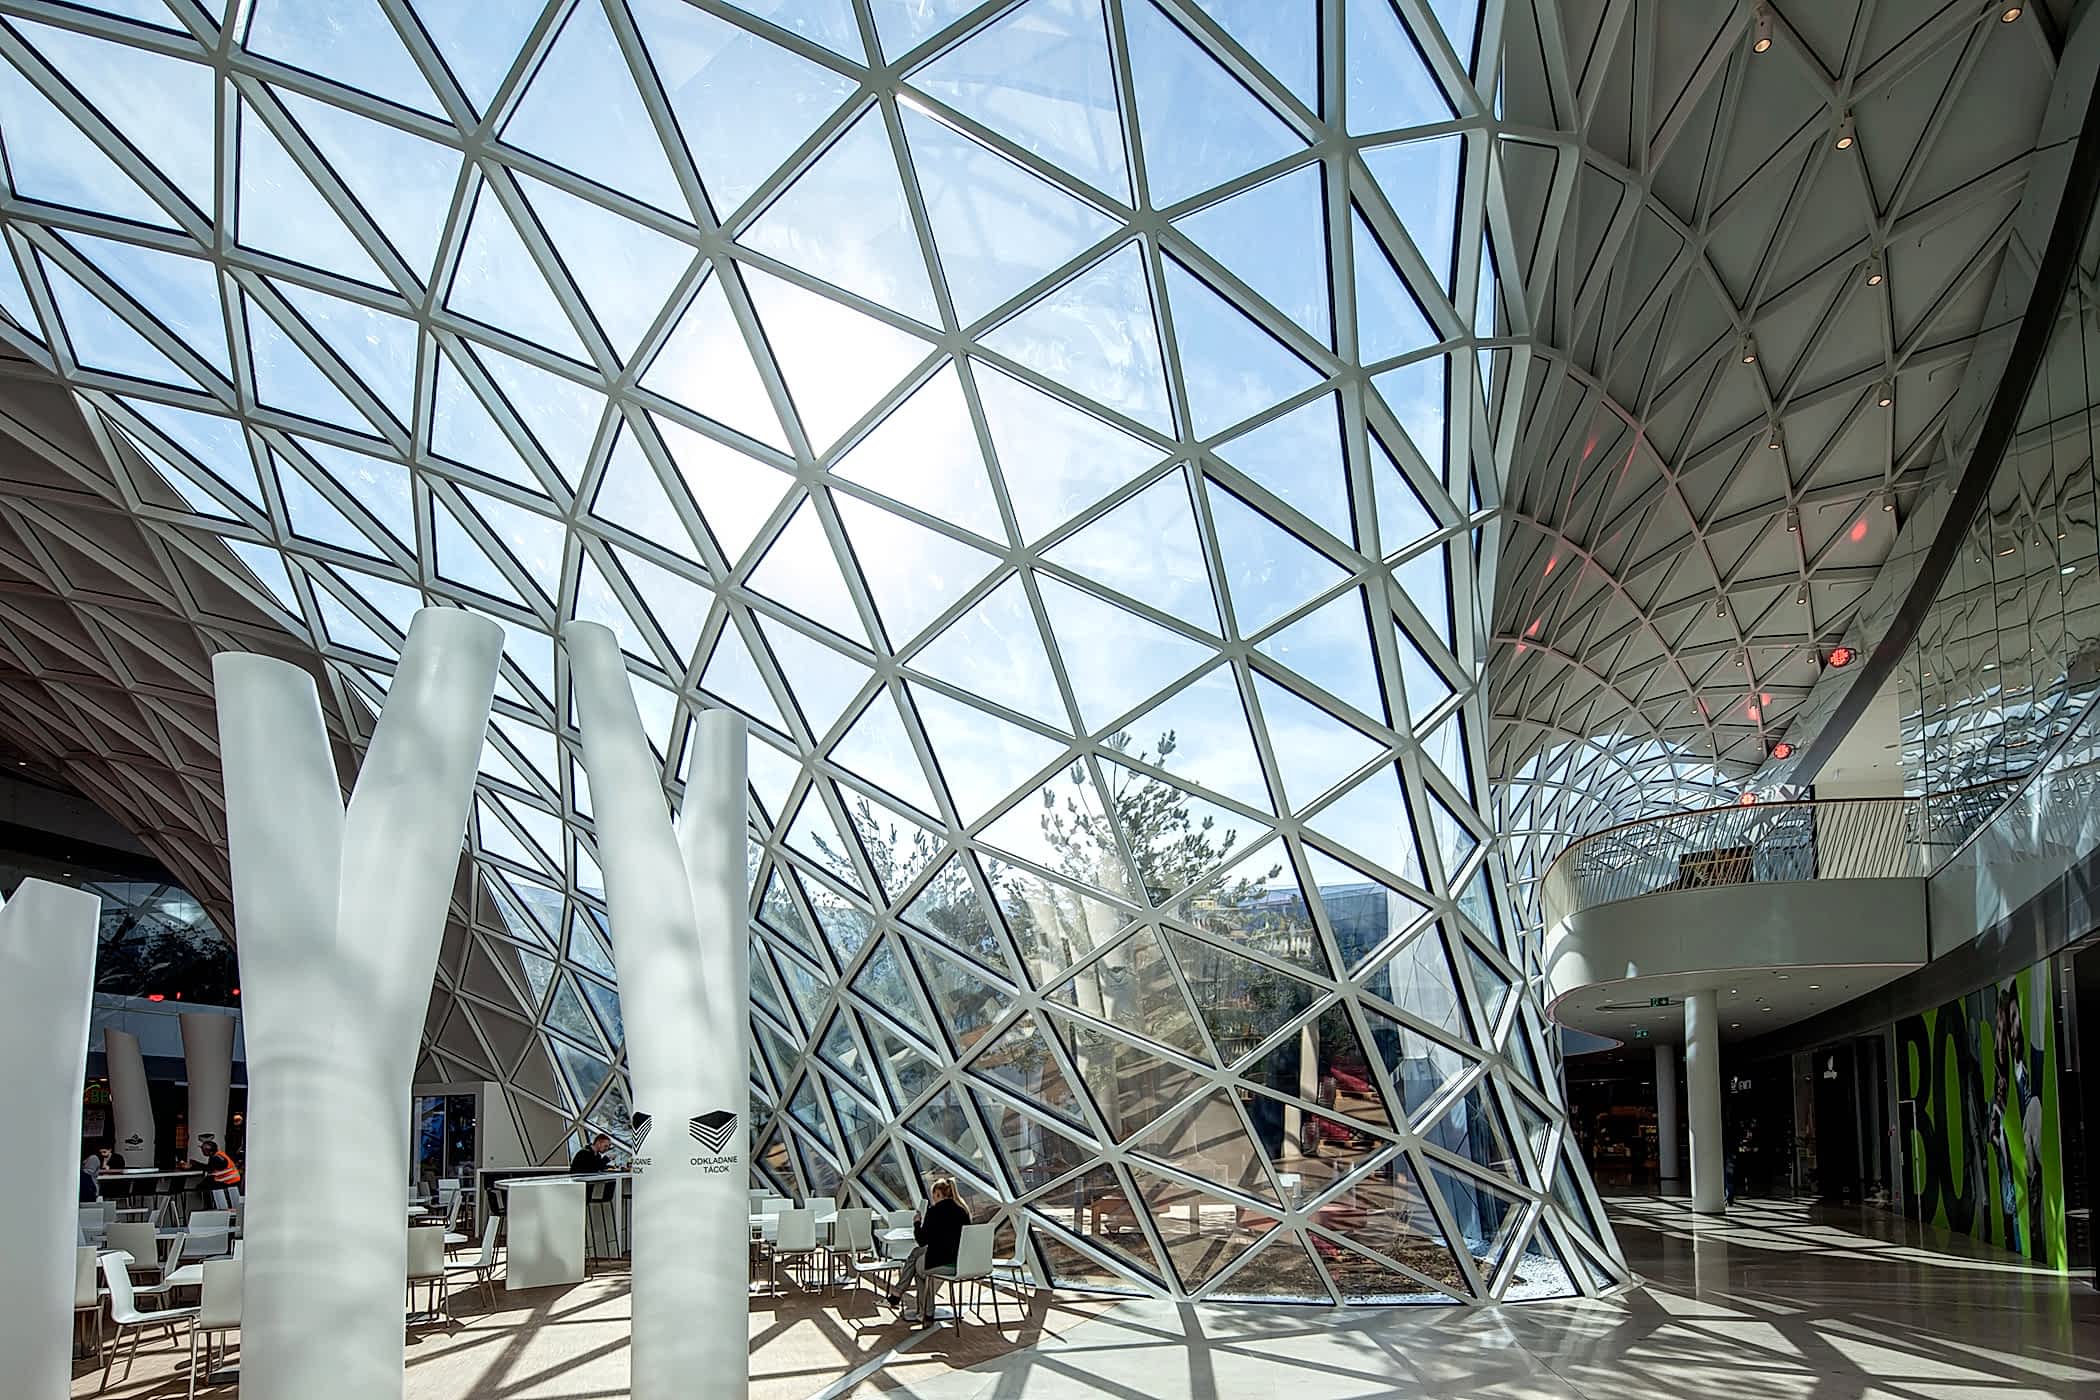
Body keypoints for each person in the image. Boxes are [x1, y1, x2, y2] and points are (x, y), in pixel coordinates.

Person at [886, 1177, 971, 1325]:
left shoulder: (934, 1212)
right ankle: (923, 1312)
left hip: (941, 1263)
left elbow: (922, 1240)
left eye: (934, 1195)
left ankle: (922, 1311)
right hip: (961, 1262)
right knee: (916, 1255)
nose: (933, 1199)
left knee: (918, 1268)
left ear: (938, 1194)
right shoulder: (963, 1211)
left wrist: (917, 1223)